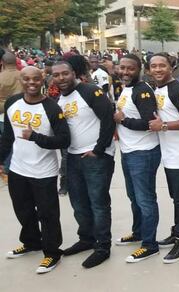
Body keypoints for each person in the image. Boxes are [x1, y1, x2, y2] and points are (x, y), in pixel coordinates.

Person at [1, 67, 70, 274]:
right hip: (18, 169)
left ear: (43, 81)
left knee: (48, 215)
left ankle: (52, 253)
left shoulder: (51, 108)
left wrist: (35, 137)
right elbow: (8, 137)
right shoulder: (12, 102)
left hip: (43, 172)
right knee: (23, 210)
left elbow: (64, 140)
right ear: (20, 80)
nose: (31, 82)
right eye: (27, 79)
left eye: (36, 79)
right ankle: (31, 242)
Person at [53, 60, 116, 269]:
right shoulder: (59, 99)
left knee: (98, 203)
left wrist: (98, 150)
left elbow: (108, 118)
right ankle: (86, 238)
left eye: (65, 74)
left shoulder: (90, 91)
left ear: (74, 74)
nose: (61, 78)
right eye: (57, 75)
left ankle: (102, 247)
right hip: (72, 157)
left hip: (95, 157)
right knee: (78, 203)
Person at [112, 54, 162, 263]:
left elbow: (150, 123)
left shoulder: (142, 91)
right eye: (122, 68)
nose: (125, 72)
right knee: (135, 198)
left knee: (145, 199)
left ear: (139, 69)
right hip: (129, 150)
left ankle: (150, 244)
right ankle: (139, 231)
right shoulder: (126, 88)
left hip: (144, 152)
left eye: (130, 69)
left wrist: (123, 121)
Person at [149, 53, 179, 264]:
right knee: (175, 195)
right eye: (154, 66)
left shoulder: (178, 89)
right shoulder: (157, 89)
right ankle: (177, 230)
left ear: (171, 67)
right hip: (169, 151)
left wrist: (166, 126)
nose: (158, 69)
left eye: (162, 65)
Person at [0, 53, 23, 117]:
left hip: (2, 113)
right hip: (20, 113)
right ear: (16, 62)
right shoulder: (24, 76)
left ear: (2, 62)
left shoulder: (1, 77)